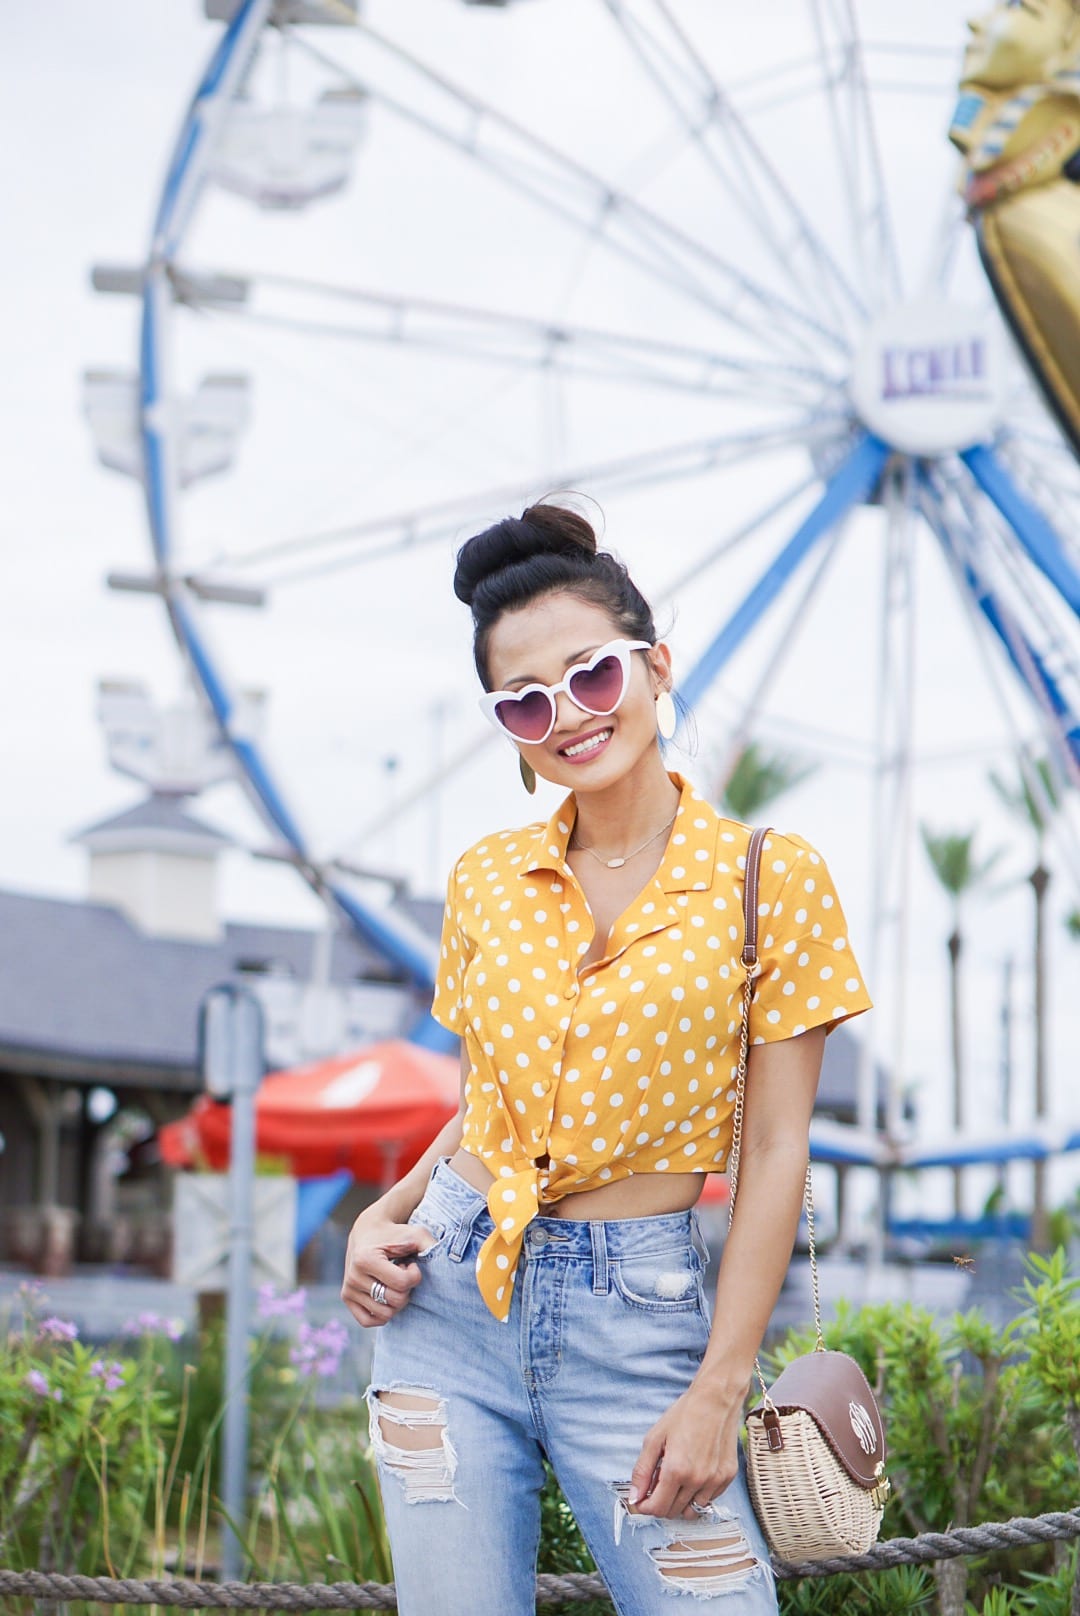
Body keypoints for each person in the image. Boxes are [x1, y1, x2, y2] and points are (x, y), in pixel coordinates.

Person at [341, 501, 873, 1615]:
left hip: (640, 1320)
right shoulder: (486, 878)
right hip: (443, 1305)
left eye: (590, 675)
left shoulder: (771, 878)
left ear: (655, 664)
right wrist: (381, 1212)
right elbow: (490, 1103)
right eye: (525, 700)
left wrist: (720, 1386)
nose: (567, 716)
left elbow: (777, 1148)